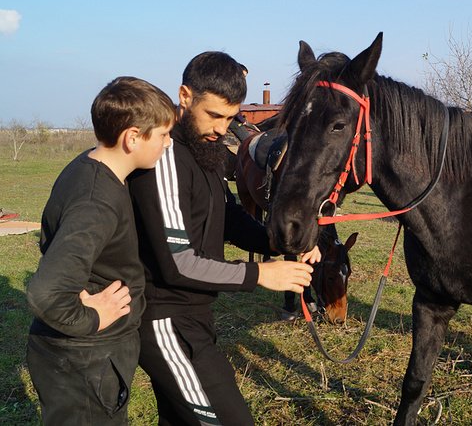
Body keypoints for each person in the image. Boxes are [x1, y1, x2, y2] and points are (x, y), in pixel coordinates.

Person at [127, 51, 320, 425]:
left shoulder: (207, 151)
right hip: (166, 321)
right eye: (213, 115)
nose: (221, 128)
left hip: (195, 317)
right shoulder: (165, 156)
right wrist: (262, 275)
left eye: (230, 118)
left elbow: (228, 218)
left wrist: (282, 243)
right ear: (185, 96)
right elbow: (178, 264)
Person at [26, 77, 175, 425]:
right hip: (85, 361)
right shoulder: (98, 201)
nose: (168, 144)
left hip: (84, 359)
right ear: (133, 137)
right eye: (164, 135)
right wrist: (92, 318)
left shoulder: (89, 165)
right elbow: (46, 293)